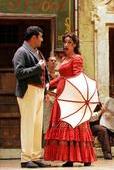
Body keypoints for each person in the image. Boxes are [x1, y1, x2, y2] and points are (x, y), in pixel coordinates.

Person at [44, 33, 96, 167]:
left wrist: (74, 92)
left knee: (74, 125)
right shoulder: (64, 59)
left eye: (69, 42)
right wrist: (50, 84)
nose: (66, 45)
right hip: (61, 96)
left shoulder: (76, 58)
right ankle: (70, 158)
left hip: (71, 96)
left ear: (74, 45)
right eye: (65, 42)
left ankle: (85, 158)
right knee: (65, 127)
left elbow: (78, 76)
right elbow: (62, 77)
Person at [12, 26, 50, 168]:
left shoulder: (37, 52)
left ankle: (35, 156)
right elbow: (19, 72)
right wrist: (37, 68)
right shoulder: (21, 52)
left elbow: (45, 72)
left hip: (39, 91)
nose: (42, 39)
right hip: (28, 91)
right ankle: (25, 158)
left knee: (36, 125)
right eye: (40, 36)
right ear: (33, 37)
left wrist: (46, 90)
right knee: (28, 124)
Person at [43, 56, 59, 133]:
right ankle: (45, 139)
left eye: (55, 61)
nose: (53, 62)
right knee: (47, 118)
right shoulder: (45, 74)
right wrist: (52, 94)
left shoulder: (58, 75)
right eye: (51, 60)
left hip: (57, 99)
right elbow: (43, 88)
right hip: (48, 98)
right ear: (47, 63)